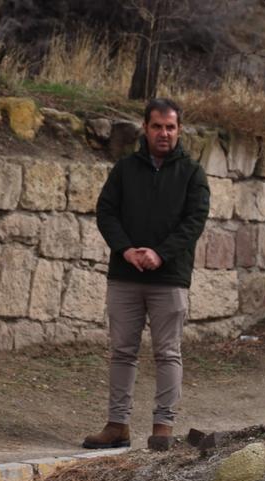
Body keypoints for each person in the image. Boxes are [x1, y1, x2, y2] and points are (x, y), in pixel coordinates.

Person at [83, 97, 210, 451]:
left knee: (167, 353)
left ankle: (163, 428)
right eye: (157, 126)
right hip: (125, 275)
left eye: (170, 127)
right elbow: (106, 212)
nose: (164, 133)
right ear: (146, 128)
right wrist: (126, 249)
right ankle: (117, 425)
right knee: (122, 351)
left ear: (179, 130)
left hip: (169, 279)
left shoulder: (192, 173)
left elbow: (194, 221)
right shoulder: (125, 169)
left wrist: (160, 253)